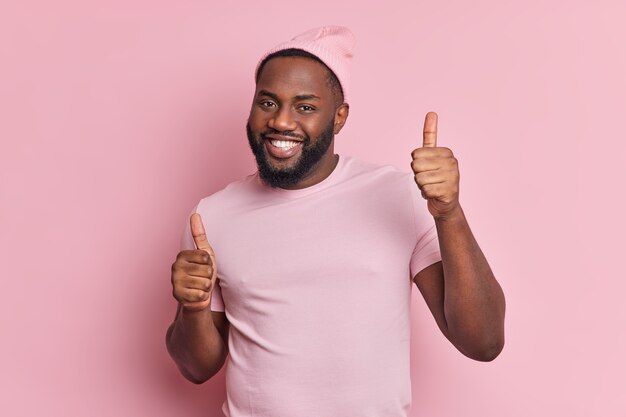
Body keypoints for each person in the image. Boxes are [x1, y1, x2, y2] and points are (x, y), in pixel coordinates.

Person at [166, 26, 505, 417]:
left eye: (305, 107)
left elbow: (484, 342)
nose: (281, 122)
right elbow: (195, 368)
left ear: (339, 116)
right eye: (268, 103)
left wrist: (449, 213)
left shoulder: (396, 195)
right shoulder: (211, 216)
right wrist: (192, 308)